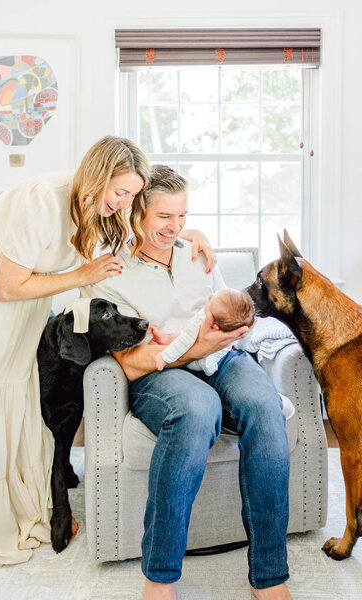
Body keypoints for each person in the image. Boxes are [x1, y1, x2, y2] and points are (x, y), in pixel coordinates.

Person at [0, 137, 214, 570]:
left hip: (27, 300)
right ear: (97, 177)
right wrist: (81, 273)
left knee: (11, 402)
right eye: (121, 192)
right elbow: (6, 286)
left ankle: (7, 508)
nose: (126, 202)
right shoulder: (42, 200)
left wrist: (189, 230)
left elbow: (147, 230)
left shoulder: (101, 208)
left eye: (134, 195)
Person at [81, 164, 293, 600]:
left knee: (264, 405)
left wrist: (237, 332)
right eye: (164, 217)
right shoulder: (112, 272)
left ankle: (270, 577)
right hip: (162, 374)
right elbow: (135, 363)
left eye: (182, 215)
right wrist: (192, 348)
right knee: (199, 410)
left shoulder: (197, 253)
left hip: (223, 359)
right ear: (138, 210)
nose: (175, 226)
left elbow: (230, 307)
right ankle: (159, 577)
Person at [152, 288, 255, 372]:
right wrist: (242, 344)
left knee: (186, 339)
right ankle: (166, 339)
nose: (210, 296)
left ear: (214, 325)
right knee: (186, 334)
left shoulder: (202, 320)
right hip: (218, 353)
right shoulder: (237, 325)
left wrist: (165, 357)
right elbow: (244, 339)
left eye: (211, 301)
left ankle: (166, 342)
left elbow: (184, 341)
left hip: (203, 363)